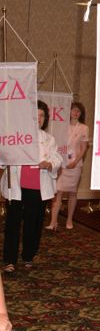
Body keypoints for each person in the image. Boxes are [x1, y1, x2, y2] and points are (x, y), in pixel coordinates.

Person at [1, 100, 62, 273]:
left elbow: (57, 158)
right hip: (16, 187)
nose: (39, 118)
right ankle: (10, 260)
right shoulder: (15, 136)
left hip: (38, 187)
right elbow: (3, 157)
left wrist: (49, 163)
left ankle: (28, 255)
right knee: (12, 223)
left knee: (33, 224)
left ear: (46, 119)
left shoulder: (49, 139)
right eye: (36, 115)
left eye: (42, 115)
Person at [46, 102, 89, 230]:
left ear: (81, 114)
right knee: (58, 191)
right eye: (73, 110)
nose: (75, 113)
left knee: (72, 193)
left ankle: (69, 219)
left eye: (78, 111)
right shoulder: (62, 126)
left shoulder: (84, 128)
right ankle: (53, 221)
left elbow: (84, 148)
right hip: (61, 163)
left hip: (75, 164)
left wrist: (75, 162)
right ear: (69, 111)